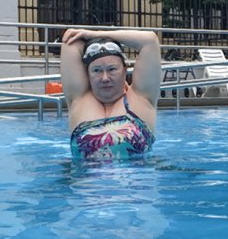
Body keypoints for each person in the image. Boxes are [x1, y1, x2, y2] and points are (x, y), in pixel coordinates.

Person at [60, 28, 162, 161]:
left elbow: (149, 41)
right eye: (97, 70)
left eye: (112, 69)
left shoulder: (141, 97)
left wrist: (97, 34)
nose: (105, 78)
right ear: (87, 74)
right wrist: (92, 41)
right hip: (85, 181)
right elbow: (70, 42)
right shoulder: (79, 100)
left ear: (125, 70)